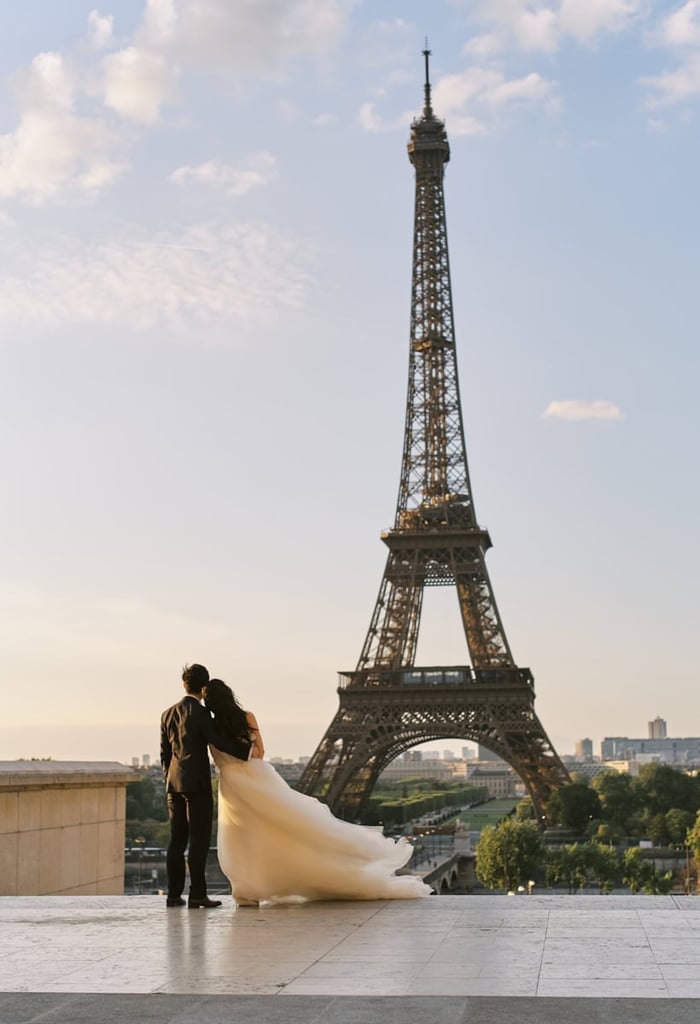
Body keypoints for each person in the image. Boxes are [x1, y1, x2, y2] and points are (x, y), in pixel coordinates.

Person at [202, 678, 431, 906]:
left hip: (232, 783)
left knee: (243, 835)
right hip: (257, 777)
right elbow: (260, 751)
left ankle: (246, 888)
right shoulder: (246, 717)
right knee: (283, 825)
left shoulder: (209, 726)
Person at [160, 663, 252, 909]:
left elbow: (165, 755)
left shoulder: (167, 713)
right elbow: (218, 741)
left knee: (176, 841)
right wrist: (246, 751)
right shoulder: (201, 715)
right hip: (197, 785)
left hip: (174, 785)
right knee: (198, 842)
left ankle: (172, 895)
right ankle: (197, 894)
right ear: (203, 687)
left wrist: (169, 780)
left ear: (183, 684)